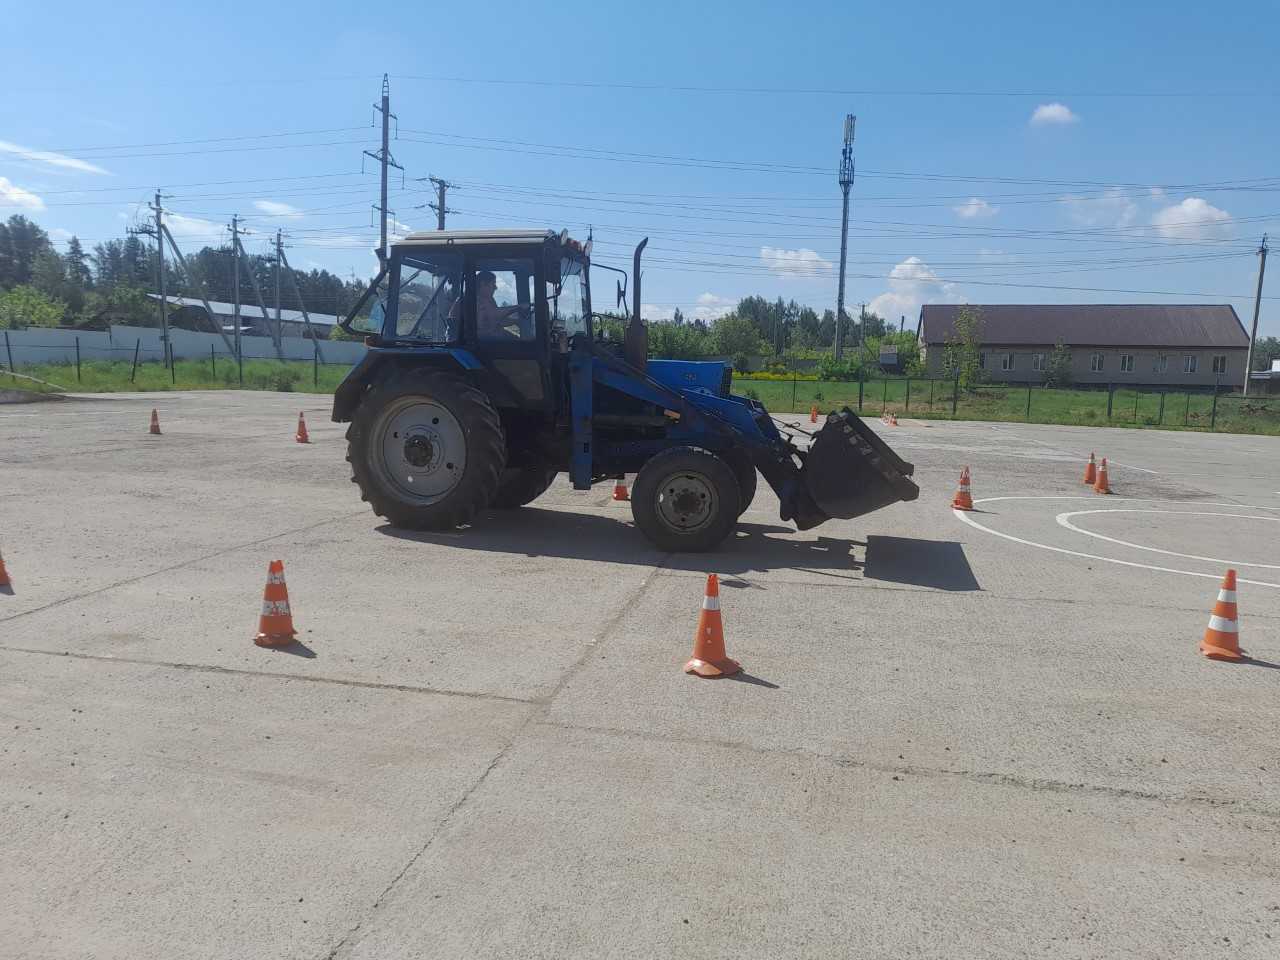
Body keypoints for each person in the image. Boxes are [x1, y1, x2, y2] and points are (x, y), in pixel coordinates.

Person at [474, 270, 525, 338]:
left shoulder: (489, 300)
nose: (496, 287)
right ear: (483, 284)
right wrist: (519, 307)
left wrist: (516, 321)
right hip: (485, 341)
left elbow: (498, 321)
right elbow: (495, 314)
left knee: (518, 339)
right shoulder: (474, 300)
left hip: (491, 338)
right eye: (493, 284)